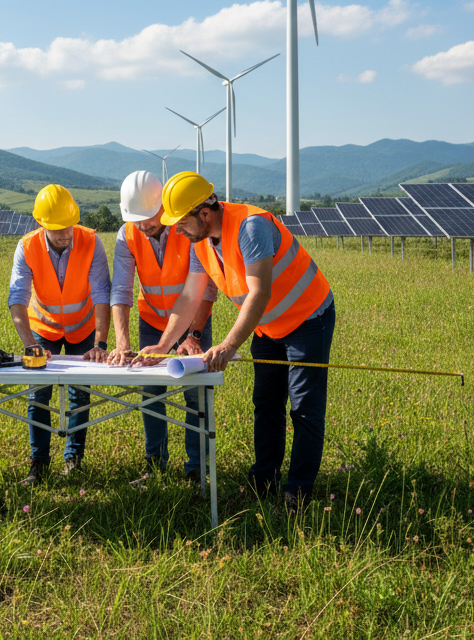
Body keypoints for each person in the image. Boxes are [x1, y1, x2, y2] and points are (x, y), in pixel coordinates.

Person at [136, 172, 335, 508]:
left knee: (304, 410)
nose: (175, 231)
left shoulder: (250, 227)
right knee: (266, 405)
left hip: (308, 320)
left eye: (180, 222)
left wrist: (228, 345)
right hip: (268, 328)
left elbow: (259, 293)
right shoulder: (202, 242)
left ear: (203, 214)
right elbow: (190, 297)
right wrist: (163, 345)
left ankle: (296, 493)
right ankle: (263, 483)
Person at [106, 171, 216, 480]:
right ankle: (155, 467)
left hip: (194, 322)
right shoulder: (126, 235)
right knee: (151, 394)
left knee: (196, 396)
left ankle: (196, 471)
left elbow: (204, 288)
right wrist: (122, 342)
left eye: (148, 217)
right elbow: (121, 290)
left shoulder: (186, 226)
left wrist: (194, 334)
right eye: (136, 219)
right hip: (152, 322)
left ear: (163, 206)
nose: (143, 226)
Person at [8, 184, 110, 486]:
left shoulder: (92, 242)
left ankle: (73, 459)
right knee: (38, 392)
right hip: (43, 328)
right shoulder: (26, 246)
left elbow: (102, 293)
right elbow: (17, 298)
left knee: (80, 393)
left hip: (83, 326)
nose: (66, 234)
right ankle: (38, 463)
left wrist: (100, 343)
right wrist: (30, 345)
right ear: (41, 224)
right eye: (57, 230)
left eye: (69, 227)